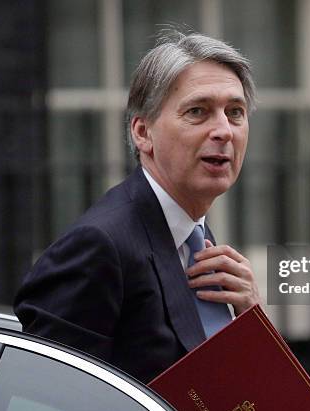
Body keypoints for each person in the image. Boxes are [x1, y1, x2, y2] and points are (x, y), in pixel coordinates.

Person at [14, 30, 262, 383]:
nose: (224, 131)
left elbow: (225, 389)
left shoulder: (195, 236)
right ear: (143, 133)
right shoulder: (98, 245)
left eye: (235, 112)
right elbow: (44, 396)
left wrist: (252, 319)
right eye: (198, 111)